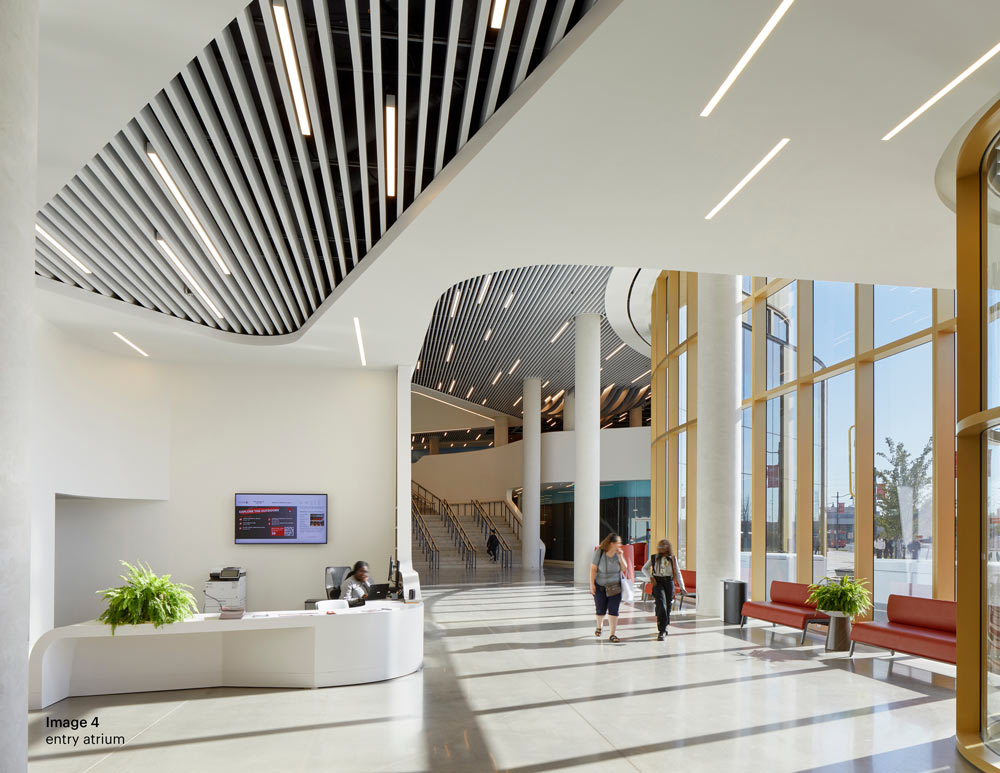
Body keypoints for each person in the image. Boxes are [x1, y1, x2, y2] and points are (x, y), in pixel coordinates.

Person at [641, 539, 684, 640]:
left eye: (664, 545)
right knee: (661, 604)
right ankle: (662, 630)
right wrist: (651, 577)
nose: (661, 547)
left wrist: (682, 587)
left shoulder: (672, 558)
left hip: (669, 582)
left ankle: (665, 625)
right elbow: (644, 568)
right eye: (660, 545)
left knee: (668, 606)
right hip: (658, 582)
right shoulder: (654, 557)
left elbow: (678, 573)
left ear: (668, 547)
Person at [590, 533, 628, 643]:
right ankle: (599, 626)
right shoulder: (600, 552)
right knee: (600, 609)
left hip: (615, 586)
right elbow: (593, 569)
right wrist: (592, 584)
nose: (620, 545)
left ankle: (612, 634)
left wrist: (620, 556)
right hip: (600, 585)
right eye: (618, 543)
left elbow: (624, 568)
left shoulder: (618, 554)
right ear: (611, 543)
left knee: (613, 610)